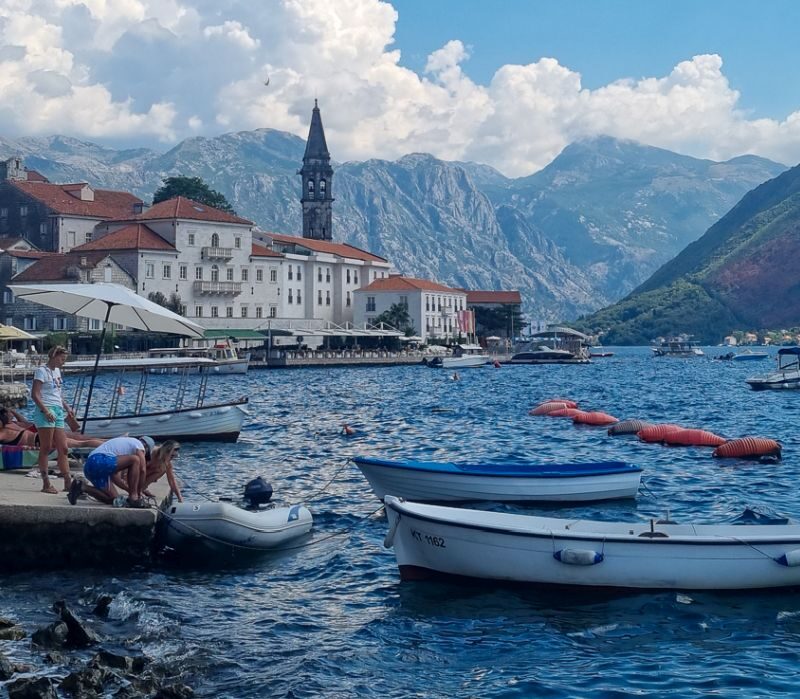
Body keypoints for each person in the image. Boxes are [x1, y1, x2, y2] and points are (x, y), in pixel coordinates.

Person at [31, 346, 74, 494]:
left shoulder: (57, 371)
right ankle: (46, 482)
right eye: (62, 359)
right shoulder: (41, 371)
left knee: (63, 447)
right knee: (46, 447)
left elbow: (57, 393)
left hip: (58, 409)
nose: (63, 362)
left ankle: (67, 481)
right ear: (54, 356)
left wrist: (67, 407)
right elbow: (35, 394)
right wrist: (46, 410)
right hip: (46, 409)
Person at [68, 435, 154, 507]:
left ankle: (81, 486)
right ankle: (133, 498)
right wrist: (138, 492)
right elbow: (142, 469)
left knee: (114, 499)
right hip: (99, 460)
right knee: (135, 460)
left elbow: (115, 476)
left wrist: (128, 489)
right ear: (146, 447)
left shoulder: (121, 450)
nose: (143, 456)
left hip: (90, 466)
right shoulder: (138, 444)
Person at [0, 407, 105, 449]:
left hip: (40, 440)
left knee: (81, 443)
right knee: (81, 441)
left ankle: (109, 445)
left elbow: (24, 422)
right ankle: (108, 443)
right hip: (42, 435)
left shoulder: (6, 430)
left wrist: (12, 411)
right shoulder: (11, 425)